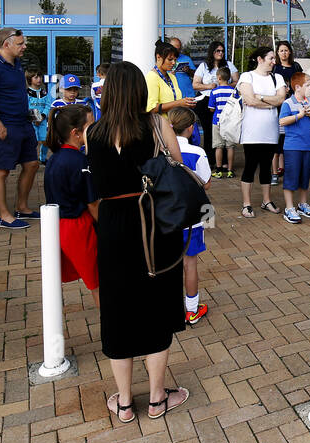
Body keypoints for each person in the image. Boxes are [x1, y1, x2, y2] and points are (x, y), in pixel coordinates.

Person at [86, 61, 189, 423]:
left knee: (117, 307)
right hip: (153, 221)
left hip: (113, 224)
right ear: (140, 92)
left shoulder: (91, 132)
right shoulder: (157, 124)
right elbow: (177, 165)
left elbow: (97, 187)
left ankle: (126, 402)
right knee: (156, 304)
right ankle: (158, 397)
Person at [0, 27, 40, 229]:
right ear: (6, 44)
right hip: (5, 126)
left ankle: (22, 207)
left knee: (32, 165)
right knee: (2, 171)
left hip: (23, 124)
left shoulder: (17, 64)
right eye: (20, 43)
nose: (24, 46)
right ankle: (5, 216)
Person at [43, 103, 99, 308]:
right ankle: (112, 327)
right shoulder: (80, 161)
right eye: (90, 126)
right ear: (76, 133)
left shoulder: (54, 159)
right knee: (98, 282)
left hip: (58, 225)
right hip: (78, 226)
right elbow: (92, 203)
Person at [168, 107, 212, 325]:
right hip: (192, 218)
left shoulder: (159, 150)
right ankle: (191, 310)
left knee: (168, 262)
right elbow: (206, 183)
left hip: (165, 216)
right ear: (191, 128)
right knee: (190, 264)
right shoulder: (197, 152)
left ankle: (167, 308)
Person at [238, 46, 287, 217]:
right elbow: (249, 100)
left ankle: (266, 201)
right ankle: (246, 204)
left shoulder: (277, 77)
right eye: (271, 58)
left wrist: (259, 97)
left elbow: (281, 99)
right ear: (260, 59)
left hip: (270, 130)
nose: (275, 62)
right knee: (250, 166)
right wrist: (269, 101)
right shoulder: (247, 76)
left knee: (266, 167)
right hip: (251, 131)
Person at [278, 73, 310, 224]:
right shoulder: (288, 103)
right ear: (297, 87)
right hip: (293, 147)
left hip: (308, 146)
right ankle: (289, 207)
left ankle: (302, 204)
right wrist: (299, 115)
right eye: (307, 85)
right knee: (291, 176)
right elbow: (282, 121)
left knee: (304, 176)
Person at [194, 39, 236, 160]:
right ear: (212, 51)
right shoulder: (204, 66)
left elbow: (236, 82)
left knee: (224, 130)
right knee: (209, 130)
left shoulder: (228, 65)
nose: (220, 53)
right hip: (206, 100)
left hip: (223, 100)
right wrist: (209, 86)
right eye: (218, 50)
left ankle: (222, 161)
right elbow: (195, 84)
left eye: (222, 51)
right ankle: (211, 159)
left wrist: (224, 86)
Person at [146, 40, 197, 116]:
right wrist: (179, 103)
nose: (173, 63)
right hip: (161, 125)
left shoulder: (172, 77)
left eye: (175, 60)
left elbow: (176, 100)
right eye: (170, 59)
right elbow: (152, 109)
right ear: (158, 57)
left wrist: (186, 103)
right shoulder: (152, 77)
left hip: (174, 123)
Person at [272, 40, 299, 179]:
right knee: (278, 139)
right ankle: (275, 172)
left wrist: (293, 89)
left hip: (294, 106)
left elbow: (302, 83)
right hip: (279, 107)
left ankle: (288, 169)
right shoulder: (274, 68)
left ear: (290, 52)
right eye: (281, 50)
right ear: (277, 53)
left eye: (286, 50)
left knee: (290, 138)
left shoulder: (295, 66)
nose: (284, 53)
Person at [169, 37, 200, 148]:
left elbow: (195, 75)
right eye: (175, 48)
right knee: (176, 125)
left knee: (191, 124)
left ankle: (194, 147)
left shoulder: (186, 58)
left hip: (188, 96)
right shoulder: (166, 60)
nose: (178, 50)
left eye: (179, 48)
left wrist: (189, 70)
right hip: (174, 99)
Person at [209, 66, 238, 177]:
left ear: (219, 77)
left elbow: (211, 108)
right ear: (229, 78)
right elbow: (237, 106)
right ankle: (230, 170)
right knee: (230, 147)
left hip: (218, 121)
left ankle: (219, 170)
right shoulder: (233, 91)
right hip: (230, 122)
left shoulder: (214, 92)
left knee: (219, 146)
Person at [27, 70, 51, 162]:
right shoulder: (27, 92)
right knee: (33, 142)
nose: (39, 79)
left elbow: (48, 105)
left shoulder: (44, 93)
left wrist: (42, 117)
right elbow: (26, 107)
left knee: (45, 141)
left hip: (43, 121)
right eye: (36, 77)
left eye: (40, 77)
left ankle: (43, 158)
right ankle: (32, 160)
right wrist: (35, 119)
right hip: (31, 122)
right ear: (30, 79)